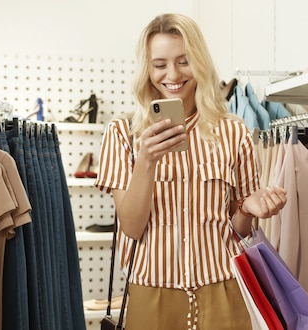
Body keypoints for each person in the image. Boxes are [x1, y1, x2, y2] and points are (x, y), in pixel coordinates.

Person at [94, 13, 287, 329]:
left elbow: (239, 229)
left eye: (184, 61)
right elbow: (130, 227)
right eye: (160, 65)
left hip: (224, 289)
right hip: (151, 292)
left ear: (200, 63)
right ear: (148, 70)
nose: (172, 74)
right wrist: (145, 161)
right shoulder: (123, 133)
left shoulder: (234, 132)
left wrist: (247, 208)